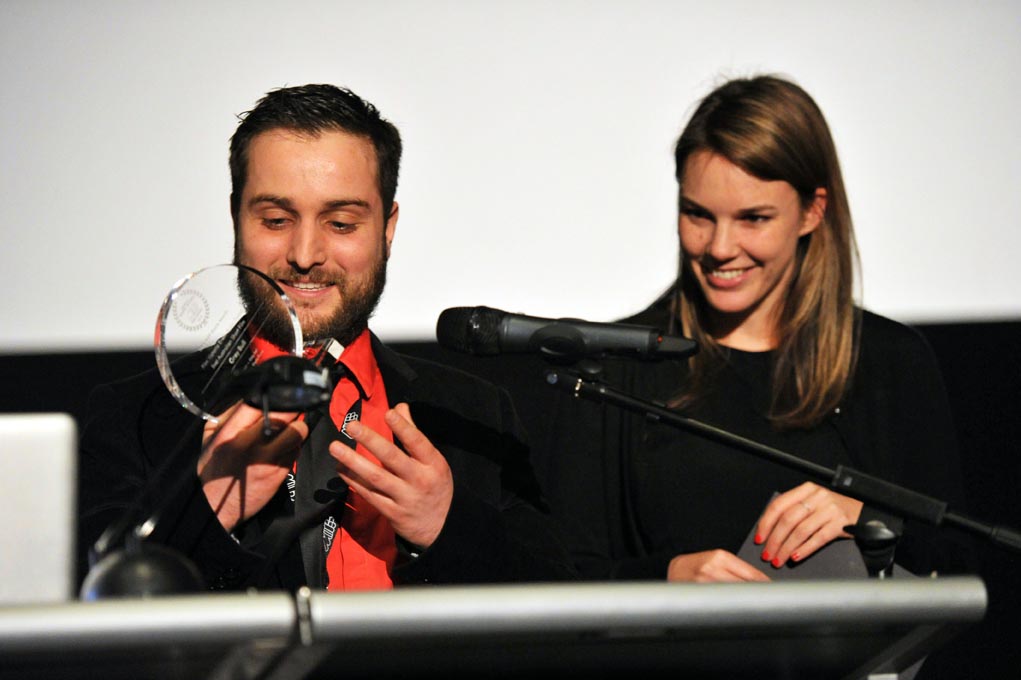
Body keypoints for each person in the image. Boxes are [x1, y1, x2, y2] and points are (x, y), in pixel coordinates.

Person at [76, 84, 576, 593]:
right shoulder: (136, 415)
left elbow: (563, 609)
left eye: (341, 223)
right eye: (275, 220)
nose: (305, 253)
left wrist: (446, 526)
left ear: (387, 229)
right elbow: (93, 622)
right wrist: (208, 514)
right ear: (236, 217)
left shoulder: (475, 414)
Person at [537, 74, 975, 582]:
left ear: (813, 211)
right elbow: (561, 577)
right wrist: (670, 579)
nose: (720, 247)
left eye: (753, 219)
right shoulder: (616, 369)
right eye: (697, 214)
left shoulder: (890, 361)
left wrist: (870, 521)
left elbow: (959, 569)